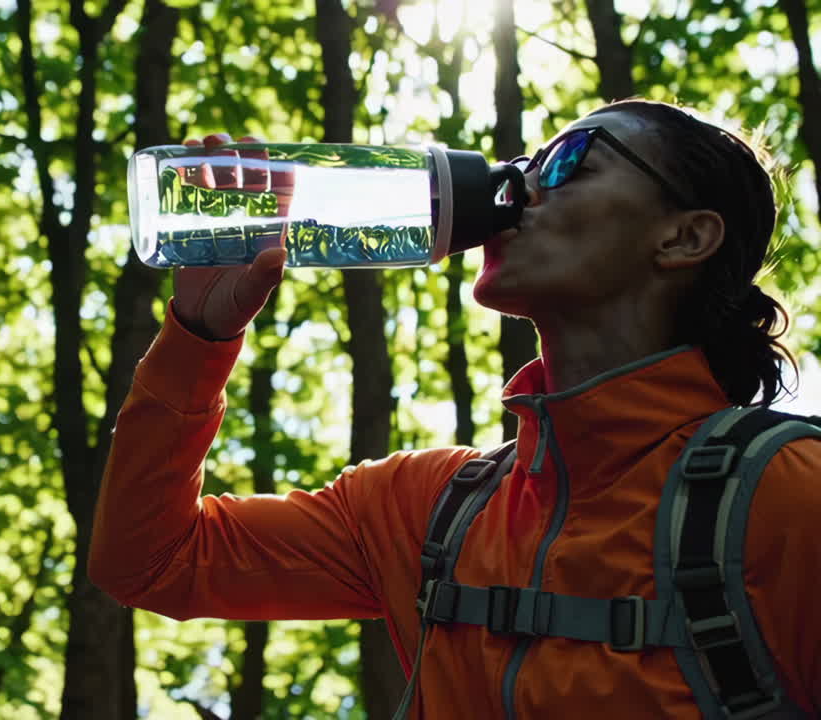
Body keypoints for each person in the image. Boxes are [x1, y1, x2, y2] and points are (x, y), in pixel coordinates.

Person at [87, 99, 821, 718]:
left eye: (567, 161)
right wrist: (199, 338)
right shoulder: (422, 507)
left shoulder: (788, 496)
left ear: (684, 236)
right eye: (523, 166)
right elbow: (150, 565)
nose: (517, 190)